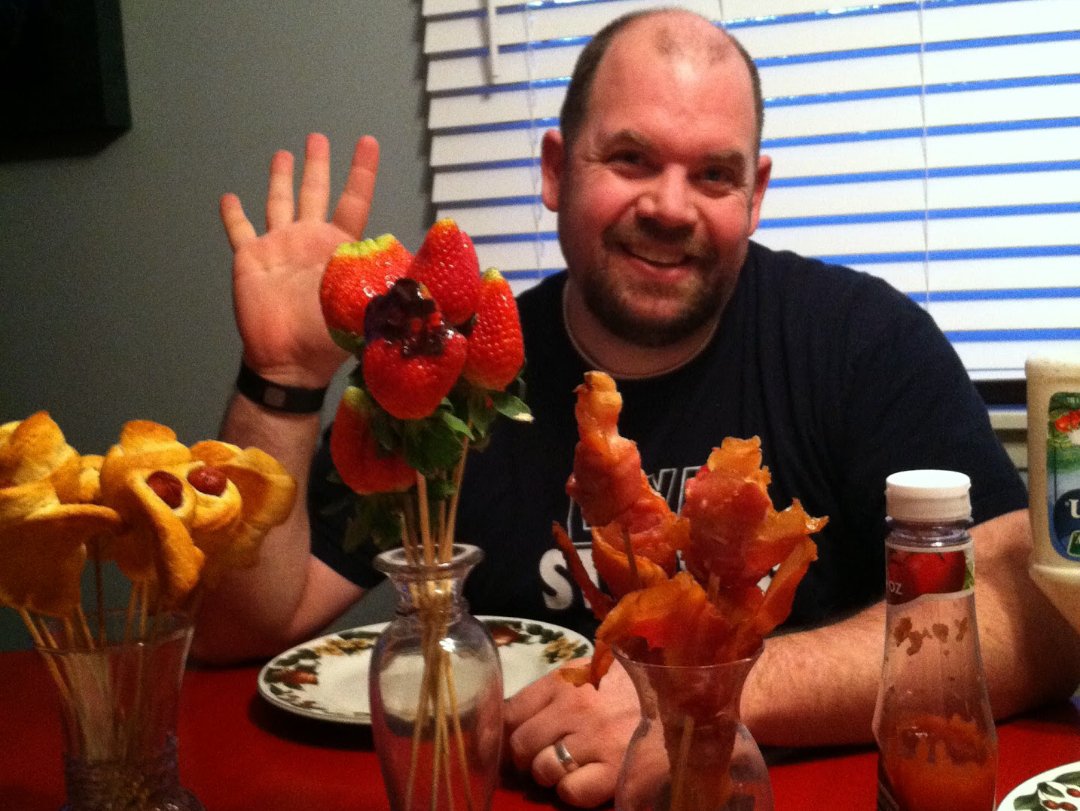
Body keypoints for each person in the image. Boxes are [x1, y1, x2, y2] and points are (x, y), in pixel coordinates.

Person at [194, 8, 1080, 808]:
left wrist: (697, 697)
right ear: (555, 170)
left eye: (715, 174)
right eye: (630, 159)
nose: (669, 206)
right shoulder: (457, 376)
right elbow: (241, 624)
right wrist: (283, 378)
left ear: (755, 193)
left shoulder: (863, 340)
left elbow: (1036, 618)